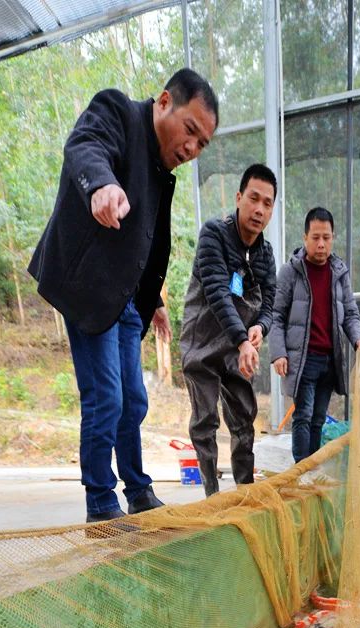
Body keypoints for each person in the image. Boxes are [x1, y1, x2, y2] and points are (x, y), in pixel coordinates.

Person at [28, 69, 218, 525]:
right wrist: (101, 184)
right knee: (106, 399)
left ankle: (137, 488)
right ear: (164, 102)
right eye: (190, 131)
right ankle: (101, 503)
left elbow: (149, 240)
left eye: (202, 144)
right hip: (89, 290)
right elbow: (85, 146)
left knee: (134, 401)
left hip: (129, 301)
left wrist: (152, 301)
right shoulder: (118, 112)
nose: (191, 148)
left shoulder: (161, 170)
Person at [180, 165, 277, 497]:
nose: (259, 209)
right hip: (203, 339)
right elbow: (218, 293)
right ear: (239, 198)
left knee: (243, 418)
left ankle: (244, 494)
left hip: (238, 349)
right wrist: (241, 340)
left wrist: (260, 328)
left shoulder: (264, 253)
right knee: (205, 421)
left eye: (267, 203)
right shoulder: (214, 235)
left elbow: (270, 301)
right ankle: (212, 496)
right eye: (253, 198)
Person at [269, 207, 360, 463]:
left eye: (326, 237)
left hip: (329, 360)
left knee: (318, 418)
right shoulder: (291, 272)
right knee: (303, 414)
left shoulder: (339, 273)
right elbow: (276, 315)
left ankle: (311, 468)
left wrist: (358, 337)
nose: (321, 244)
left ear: (332, 237)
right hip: (303, 359)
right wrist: (279, 353)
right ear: (305, 238)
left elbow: (350, 313)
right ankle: (301, 469)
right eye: (315, 237)